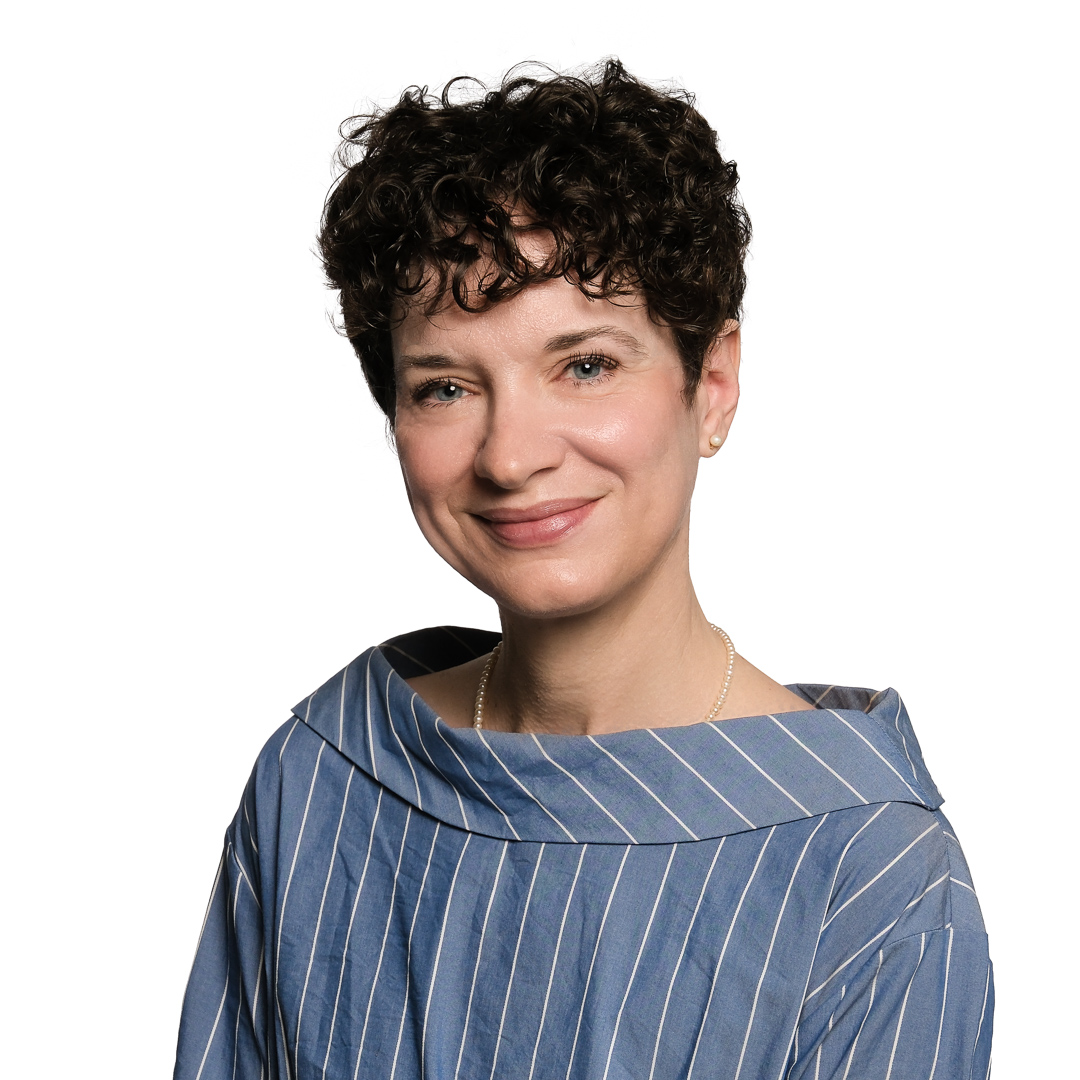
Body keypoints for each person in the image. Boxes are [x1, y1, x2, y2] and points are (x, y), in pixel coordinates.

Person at [174, 60, 993, 1079]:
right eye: (444, 388)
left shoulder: (867, 880)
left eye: (586, 365)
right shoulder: (322, 777)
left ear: (715, 384)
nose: (511, 453)